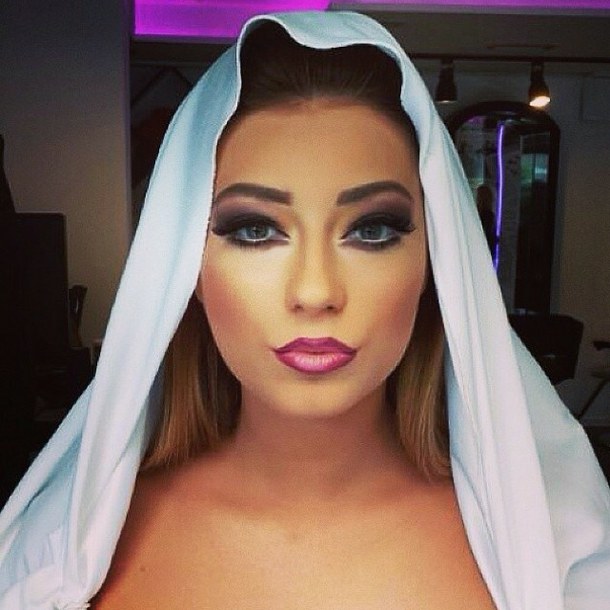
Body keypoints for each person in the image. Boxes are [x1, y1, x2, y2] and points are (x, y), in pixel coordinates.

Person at [0, 11, 609, 609]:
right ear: (188, 269)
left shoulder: (556, 554)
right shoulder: (60, 561)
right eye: (255, 230)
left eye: (372, 229)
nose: (316, 291)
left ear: (434, 262)